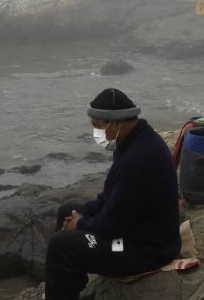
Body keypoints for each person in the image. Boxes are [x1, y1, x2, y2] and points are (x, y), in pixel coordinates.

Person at [45, 88, 181, 299]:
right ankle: (69, 284)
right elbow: (109, 196)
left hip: (142, 249)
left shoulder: (138, 159)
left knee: (60, 246)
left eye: (98, 126)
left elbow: (114, 224)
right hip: (135, 230)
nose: (96, 133)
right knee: (67, 210)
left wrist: (80, 224)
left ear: (118, 123)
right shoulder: (131, 141)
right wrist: (83, 215)